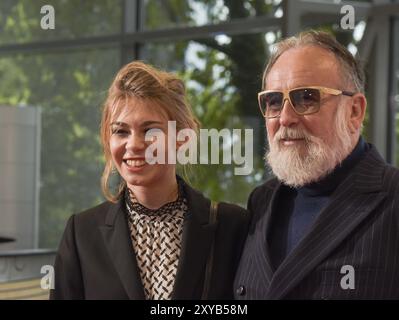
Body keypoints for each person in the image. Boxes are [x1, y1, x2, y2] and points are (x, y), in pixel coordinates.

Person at [50, 61, 249, 300]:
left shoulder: (231, 226)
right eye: (121, 131)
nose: (134, 145)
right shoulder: (81, 234)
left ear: (181, 138)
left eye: (150, 131)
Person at [234, 30, 399, 300]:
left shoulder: (393, 199)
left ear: (354, 111)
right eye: (274, 102)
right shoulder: (260, 203)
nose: (285, 118)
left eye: (307, 98)